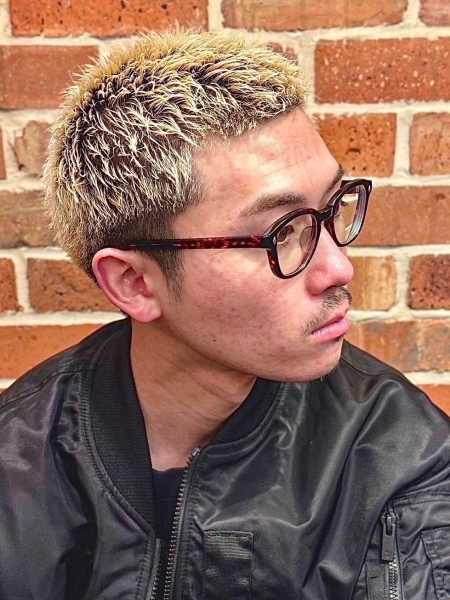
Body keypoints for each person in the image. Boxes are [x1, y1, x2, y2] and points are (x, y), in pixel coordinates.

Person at [0, 30, 449, 600]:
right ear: (134, 283)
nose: (339, 268)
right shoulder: (20, 465)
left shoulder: (400, 455)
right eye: (281, 232)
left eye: (333, 208)